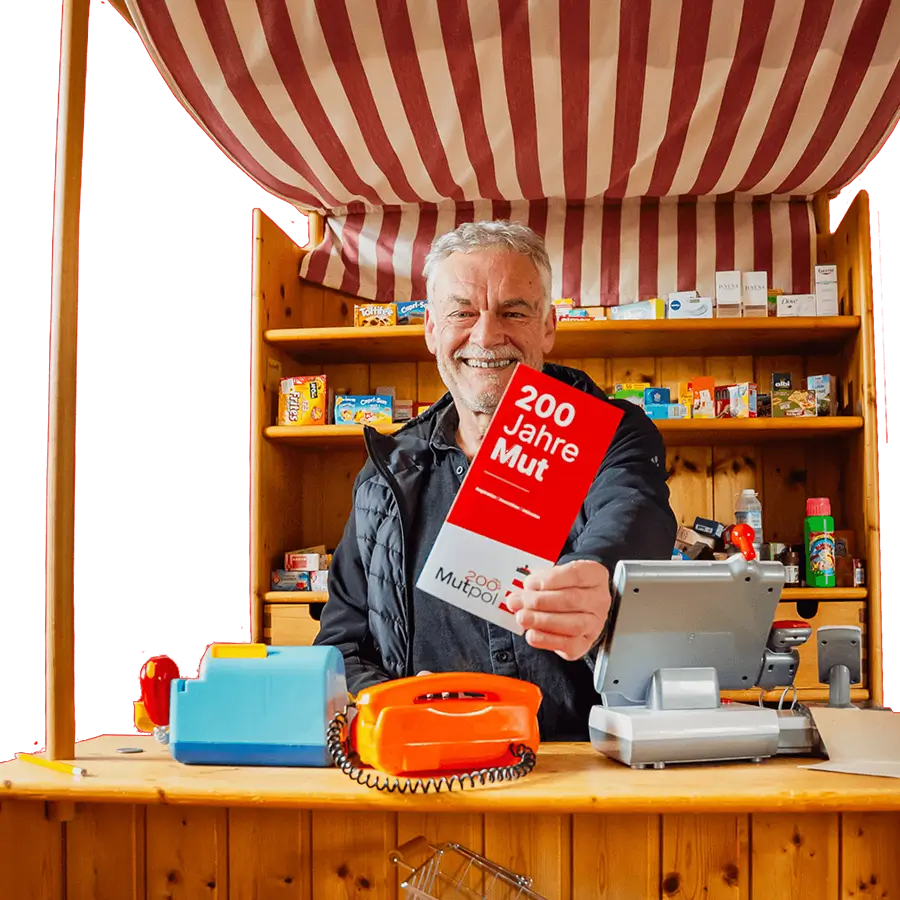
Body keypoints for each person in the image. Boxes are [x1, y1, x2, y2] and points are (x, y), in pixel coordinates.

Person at [314, 221, 677, 740]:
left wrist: (599, 572)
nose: (486, 336)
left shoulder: (612, 432)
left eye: (514, 311)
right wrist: (394, 706)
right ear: (431, 329)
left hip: (578, 775)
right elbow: (340, 650)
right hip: (425, 776)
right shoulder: (385, 475)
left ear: (548, 326)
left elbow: (634, 508)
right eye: (463, 312)